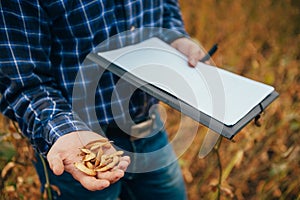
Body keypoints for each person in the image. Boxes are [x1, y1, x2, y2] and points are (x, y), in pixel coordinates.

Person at [0, 1, 206, 199]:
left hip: (148, 126)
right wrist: (65, 130)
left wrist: (174, 36)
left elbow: (166, 5)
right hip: (75, 143)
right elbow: (23, 82)